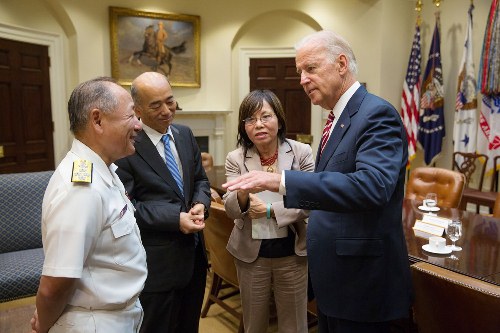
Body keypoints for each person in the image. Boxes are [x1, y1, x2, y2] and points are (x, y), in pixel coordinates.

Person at [223, 30, 412, 333]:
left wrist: (282, 182)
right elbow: (329, 193)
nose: (301, 80)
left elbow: (373, 186)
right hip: (335, 280)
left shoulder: (376, 114)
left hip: (362, 284)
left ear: (341, 64)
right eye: (300, 71)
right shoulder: (336, 118)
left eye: (310, 69)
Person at [31, 77, 147, 333]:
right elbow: (55, 285)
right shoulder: (81, 188)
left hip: (116, 316)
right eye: (131, 116)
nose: (139, 126)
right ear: (97, 120)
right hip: (96, 324)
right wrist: (44, 326)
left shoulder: (102, 170)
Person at [115, 71, 210, 333]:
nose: (167, 111)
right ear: (138, 110)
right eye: (156, 105)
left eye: (170, 101)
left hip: (194, 259)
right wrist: (174, 219)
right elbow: (125, 207)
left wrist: (201, 203)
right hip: (156, 265)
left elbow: (201, 180)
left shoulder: (185, 134)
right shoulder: (126, 146)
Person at [224, 90, 314, 333]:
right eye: (251, 120)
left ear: (279, 120)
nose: (259, 125)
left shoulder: (300, 153)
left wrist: (269, 210)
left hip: (292, 252)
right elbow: (232, 209)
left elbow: (309, 202)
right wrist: (243, 191)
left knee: (294, 325)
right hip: (252, 255)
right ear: (244, 127)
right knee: (254, 325)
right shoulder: (236, 158)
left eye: (266, 116)